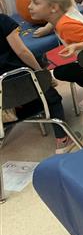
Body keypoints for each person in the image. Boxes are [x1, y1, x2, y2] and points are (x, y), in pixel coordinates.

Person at [0, 12, 75, 154]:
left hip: (4, 98)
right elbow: (22, 52)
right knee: (53, 98)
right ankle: (62, 140)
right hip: (22, 80)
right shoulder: (2, 20)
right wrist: (41, 71)